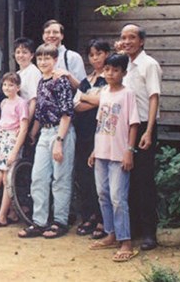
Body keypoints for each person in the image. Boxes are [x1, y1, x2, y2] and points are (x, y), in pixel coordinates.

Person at [18, 43, 75, 239]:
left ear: (55, 60)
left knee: (60, 178)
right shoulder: (41, 82)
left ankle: (60, 221)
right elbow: (41, 113)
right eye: (40, 58)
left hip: (61, 131)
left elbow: (67, 112)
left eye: (47, 58)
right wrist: (34, 133)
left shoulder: (61, 82)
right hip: (44, 132)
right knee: (39, 177)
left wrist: (59, 140)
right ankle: (39, 221)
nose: (43, 62)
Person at [88, 53, 140, 262]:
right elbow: (100, 123)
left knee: (118, 198)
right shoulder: (104, 93)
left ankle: (125, 241)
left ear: (123, 73)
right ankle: (110, 233)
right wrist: (94, 149)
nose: (110, 73)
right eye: (107, 69)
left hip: (119, 154)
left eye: (115, 70)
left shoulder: (128, 94)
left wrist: (129, 150)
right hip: (101, 152)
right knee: (103, 193)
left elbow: (133, 123)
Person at [119, 23, 163, 251]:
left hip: (145, 126)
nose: (127, 42)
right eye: (124, 38)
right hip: (126, 127)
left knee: (144, 180)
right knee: (128, 179)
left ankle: (149, 233)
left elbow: (154, 98)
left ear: (142, 41)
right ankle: (133, 228)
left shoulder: (149, 64)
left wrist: (148, 130)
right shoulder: (124, 65)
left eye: (132, 37)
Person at [73, 40, 110, 239]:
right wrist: (92, 99)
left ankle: (103, 219)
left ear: (106, 54)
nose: (95, 58)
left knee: (100, 178)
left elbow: (105, 102)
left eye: (98, 54)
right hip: (83, 133)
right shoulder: (87, 80)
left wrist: (87, 98)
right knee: (84, 176)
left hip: (101, 132)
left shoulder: (110, 78)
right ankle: (89, 216)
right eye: (91, 55)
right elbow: (75, 105)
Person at [0, 73, 29, 228]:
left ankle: (1, 216)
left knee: (8, 179)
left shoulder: (21, 103)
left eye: (11, 85)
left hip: (12, 142)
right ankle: (12, 212)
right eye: (5, 85)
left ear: (18, 87)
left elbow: (23, 129)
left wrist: (15, 152)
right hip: (2, 140)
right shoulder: (3, 103)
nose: (7, 88)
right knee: (4, 179)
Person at [42, 19, 86, 88]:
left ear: (62, 36)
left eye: (55, 32)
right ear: (43, 36)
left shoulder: (73, 57)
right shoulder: (41, 59)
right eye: (47, 32)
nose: (51, 35)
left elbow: (84, 88)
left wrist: (68, 76)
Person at [14, 37, 42, 120]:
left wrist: (26, 124)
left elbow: (34, 101)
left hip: (29, 117)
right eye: (18, 52)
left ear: (32, 55)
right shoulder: (18, 73)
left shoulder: (33, 72)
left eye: (24, 52)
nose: (20, 55)